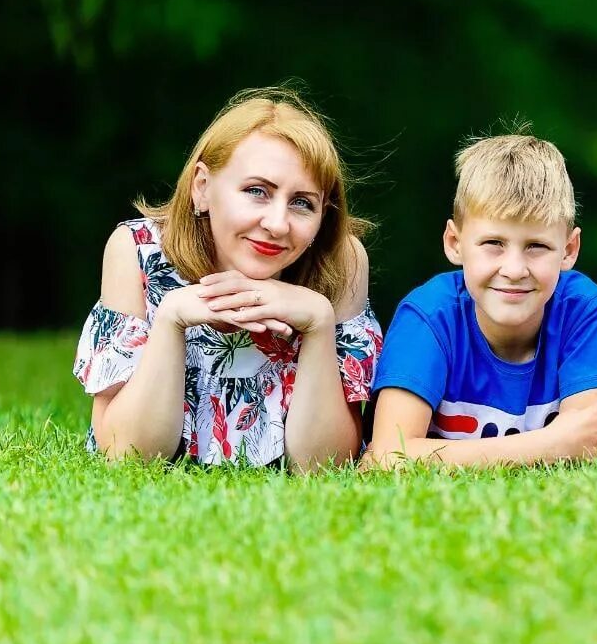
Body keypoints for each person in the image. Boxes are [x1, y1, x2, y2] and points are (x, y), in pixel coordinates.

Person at [73, 87, 382, 470]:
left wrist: (319, 322)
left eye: (302, 202)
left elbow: (326, 466)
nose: (276, 224)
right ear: (202, 188)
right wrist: (171, 318)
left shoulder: (341, 261)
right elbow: (126, 456)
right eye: (257, 191)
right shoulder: (137, 251)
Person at [362, 129, 597, 467]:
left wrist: (565, 447)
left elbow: (587, 450)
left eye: (537, 246)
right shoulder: (429, 316)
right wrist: (549, 446)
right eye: (493, 244)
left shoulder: (583, 310)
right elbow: (385, 458)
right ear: (454, 243)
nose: (515, 269)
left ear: (569, 249)